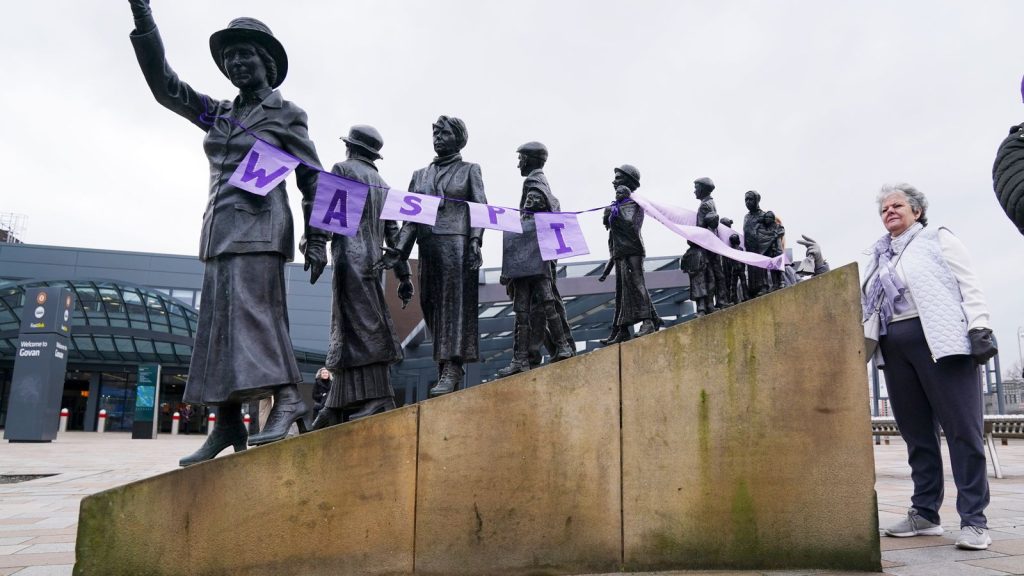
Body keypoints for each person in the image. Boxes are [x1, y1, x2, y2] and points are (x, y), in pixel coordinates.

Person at [126, 0, 328, 466]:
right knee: (217, 329)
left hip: (261, 230)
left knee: (258, 317)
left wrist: (317, 238)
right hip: (218, 231)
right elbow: (164, 86)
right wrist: (144, 20)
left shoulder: (286, 113)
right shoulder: (217, 114)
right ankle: (230, 421)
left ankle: (288, 397)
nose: (236, 62)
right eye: (230, 56)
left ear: (267, 63)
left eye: (245, 55)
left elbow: (313, 178)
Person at [862, 183, 998, 551]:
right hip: (894, 347)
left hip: (941, 342)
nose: (889, 211)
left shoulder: (936, 238)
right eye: (884, 209)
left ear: (917, 211)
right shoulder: (879, 255)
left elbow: (968, 283)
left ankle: (974, 521)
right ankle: (925, 513)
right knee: (917, 435)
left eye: (897, 206)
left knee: (962, 431)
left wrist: (979, 325)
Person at [312, 126, 413, 429]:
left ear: (351, 148)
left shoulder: (343, 169)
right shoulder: (383, 184)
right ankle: (338, 401)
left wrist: (313, 242)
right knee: (361, 327)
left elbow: (330, 218)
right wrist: (404, 277)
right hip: (373, 266)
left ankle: (376, 396)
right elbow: (395, 238)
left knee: (353, 329)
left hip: (348, 260)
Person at [385, 116, 486, 396]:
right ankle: (443, 364)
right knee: (431, 304)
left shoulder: (469, 170)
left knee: (452, 305)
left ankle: (452, 366)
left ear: (458, 138)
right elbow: (410, 218)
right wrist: (399, 251)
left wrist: (476, 241)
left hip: (457, 245)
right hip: (427, 247)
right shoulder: (420, 175)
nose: (438, 138)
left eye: (443, 133)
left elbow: (479, 208)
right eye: (435, 133)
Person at [497, 190, 574, 376]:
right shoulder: (515, 224)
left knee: (550, 307)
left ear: (543, 203)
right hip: (520, 274)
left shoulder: (547, 223)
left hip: (541, 271)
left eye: (537, 198)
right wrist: (505, 273)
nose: (531, 200)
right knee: (521, 314)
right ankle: (520, 359)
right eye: (529, 197)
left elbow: (557, 247)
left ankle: (563, 346)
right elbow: (510, 249)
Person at [515, 142, 575, 363]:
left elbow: (532, 216)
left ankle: (549, 349)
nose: (518, 163)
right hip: (541, 256)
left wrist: (523, 220)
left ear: (530, 159)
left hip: (534, 257)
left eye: (520, 158)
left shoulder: (534, 184)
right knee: (541, 304)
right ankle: (547, 350)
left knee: (542, 303)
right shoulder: (542, 183)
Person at [600, 177, 657, 343]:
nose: (616, 192)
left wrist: (613, 214)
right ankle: (622, 329)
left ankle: (648, 322)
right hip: (621, 252)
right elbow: (611, 229)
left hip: (633, 250)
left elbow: (630, 223)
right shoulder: (615, 208)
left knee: (638, 283)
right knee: (622, 291)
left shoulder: (632, 204)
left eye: (619, 191)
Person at [693, 177, 729, 307]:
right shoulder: (711, 202)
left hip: (708, 245)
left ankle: (711, 304)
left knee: (710, 275)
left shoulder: (704, 205)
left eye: (696, 188)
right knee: (718, 273)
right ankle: (721, 300)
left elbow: (701, 227)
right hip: (714, 243)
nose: (694, 191)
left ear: (702, 188)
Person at [742, 190, 770, 298]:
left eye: (750, 199)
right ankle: (753, 289)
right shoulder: (746, 217)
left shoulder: (763, 216)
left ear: (757, 200)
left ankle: (763, 286)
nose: (747, 202)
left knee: (760, 269)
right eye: (746, 200)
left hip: (760, 248)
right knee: (751, 269)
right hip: (749, 247)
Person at [680, 241, 712, 316]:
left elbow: (704, 264)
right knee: (697, 293)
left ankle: (702, 309)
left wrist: (696, 271)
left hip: (699, 276)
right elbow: (683, 265)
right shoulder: (688, 253)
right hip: (694, 276)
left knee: (700, 292)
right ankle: (700, 309)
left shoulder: (699, 251)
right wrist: (689, 271)